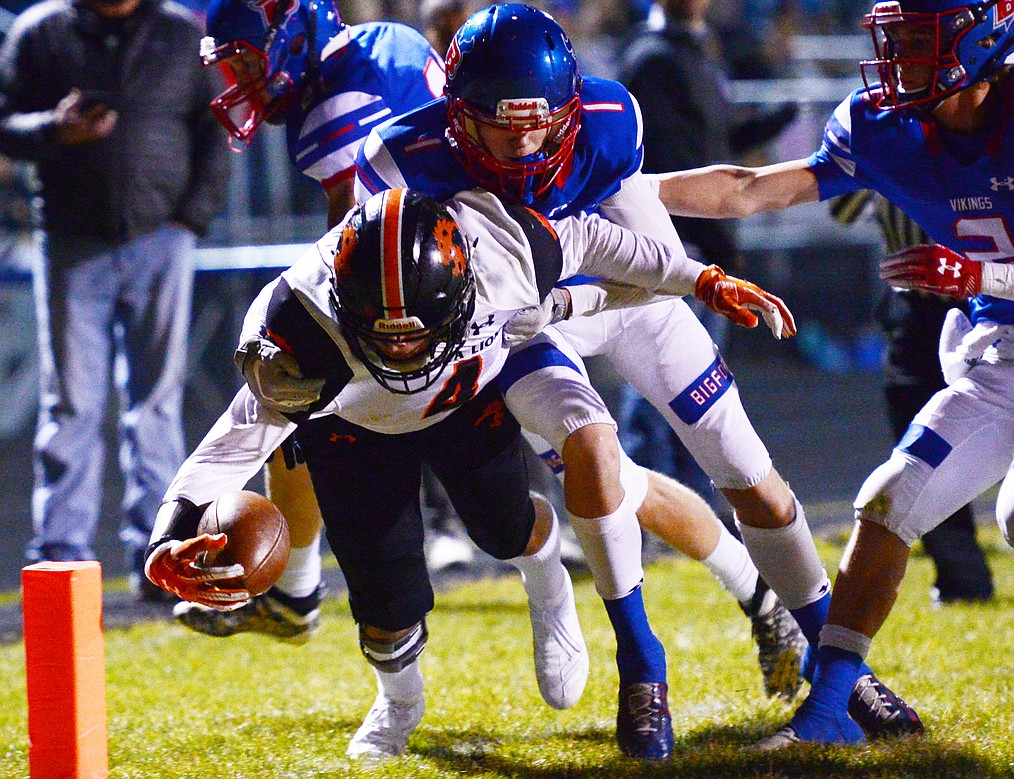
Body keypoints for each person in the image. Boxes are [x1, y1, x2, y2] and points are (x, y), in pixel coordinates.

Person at [353, 3, 921, 759]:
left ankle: (841, 664)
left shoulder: (609, 121)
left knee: (753, 476)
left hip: (623, 296)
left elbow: (646, 274)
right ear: (457, 115)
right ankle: (641, 665)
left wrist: (623, 289)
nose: (524, 140)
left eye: (539, 121)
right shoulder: (402, 159)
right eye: (501, 123)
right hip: (525, 325)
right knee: (593, 454)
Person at [655, 0, 1014, 746]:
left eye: (915, 43)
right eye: (893, 40)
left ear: (980, 43)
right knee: (887, 503)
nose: (895, 58)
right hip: (1002, 350)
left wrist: (977, 275)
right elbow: (748, 188)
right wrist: (628, 186)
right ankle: (830, 711)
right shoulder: (885, 125)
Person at [143, 186, 791, 759]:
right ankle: (399, 701)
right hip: (353, 425)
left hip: (465, 396)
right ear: (344, 302)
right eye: (383, 334)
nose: (400, 349)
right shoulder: (302, 330)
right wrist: (167, 536)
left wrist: (696, 276)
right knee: (381, 589)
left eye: (415, 332)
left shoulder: (497, 248)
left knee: (507, 523)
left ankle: (546, 576)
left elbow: (591, 237)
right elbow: (234, 443)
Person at [172, 0, 445, 639]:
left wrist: (324, 327)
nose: (238, 81)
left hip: (435, 289)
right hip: (454, 260)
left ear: (289, 37)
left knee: (297, 385)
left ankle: (306, 595)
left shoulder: (334, 106)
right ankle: (296, 596)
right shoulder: (385, 42)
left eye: (245, 60)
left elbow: (349, 239)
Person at [0, 0, 231, 599]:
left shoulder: (181, 33)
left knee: (155, 401)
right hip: (73, 241)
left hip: (161, 237)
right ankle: (60, 563)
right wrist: (54, 128)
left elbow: (216, 130)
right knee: (72, 402)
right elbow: (4, 125)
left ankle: (160, 557)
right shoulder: (41, 32)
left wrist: (190, 221)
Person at [831, 190, 1014, 603]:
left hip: (993, 303)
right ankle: (962, 578)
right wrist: (873, 161)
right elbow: (841, 207)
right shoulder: (880, 137)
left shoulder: (987, 137)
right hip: (916, 309)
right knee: (924, 442)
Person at [615, 0, 798, 506]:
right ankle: (657, 508)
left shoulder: (688, 54)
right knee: (666, 388)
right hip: (674, 247)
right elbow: (667, 162)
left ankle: (686, 507)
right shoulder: (653, 59)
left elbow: (707, 142)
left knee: (689, 387)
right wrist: (693, 245)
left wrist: (766, 126)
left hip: (697, 243)